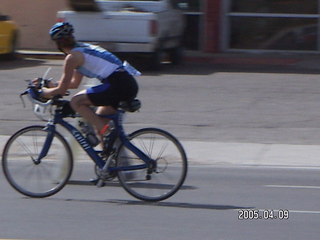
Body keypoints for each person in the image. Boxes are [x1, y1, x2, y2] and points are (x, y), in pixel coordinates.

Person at [39, 22, 139, 140]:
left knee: (76, 102)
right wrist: (52, 85)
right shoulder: (82, 49)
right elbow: (74, 83)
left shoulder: (72, 58)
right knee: (99, 119)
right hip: (127, 83)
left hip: (117, 85)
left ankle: (107, 133)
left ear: (58, 44)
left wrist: (43, 93)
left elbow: (62, 90)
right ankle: (110, 155)